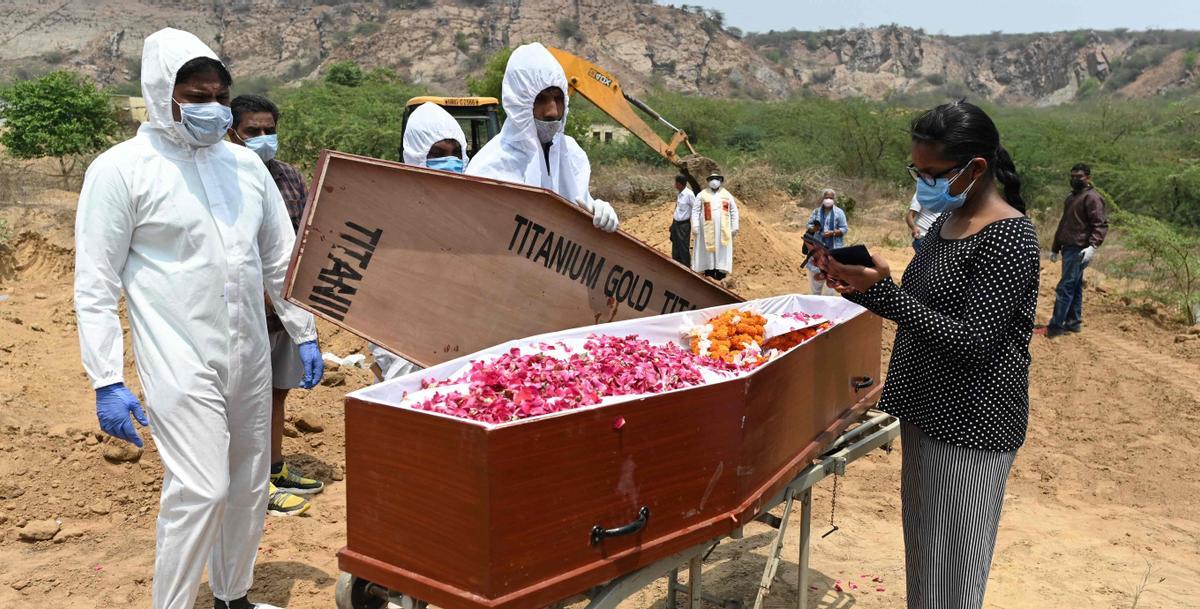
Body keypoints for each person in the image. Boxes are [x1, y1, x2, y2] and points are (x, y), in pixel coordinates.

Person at [74, 28, 324, 609]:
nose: (209, 107)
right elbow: (95, 282)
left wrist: (304, 331)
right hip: (179, 355)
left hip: (251, 354)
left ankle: (231, 596)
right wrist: (106, 377)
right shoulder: (122, 170)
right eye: (194, 94)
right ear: (163, 93)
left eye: (217, 95)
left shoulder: (244, 167)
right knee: (201, 488)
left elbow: (278, 256)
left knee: (248, 484)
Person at [816, 100, 1039, 609]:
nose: (922, 182)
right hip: (925, 412)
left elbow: (975, 340)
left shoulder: (1009, 236)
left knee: (954, 575)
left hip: (970, 426)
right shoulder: (945, 225)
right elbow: (921, 308)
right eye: (916, 171)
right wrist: (862, 284)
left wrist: (888, 296)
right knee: (925, 559)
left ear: (975, 168)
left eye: (932, 173)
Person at [227, 94, 324, 518]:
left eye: (270, 131)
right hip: (242, 312)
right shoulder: (224, 177)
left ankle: (275, 467)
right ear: (232, 132)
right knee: (245, 400)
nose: (263, 139)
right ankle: (252, 486)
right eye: (253, 132)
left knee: (276, 393)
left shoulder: (287, 177)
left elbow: (303, 237)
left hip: (285, 310)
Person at [466, 42, 618, 233]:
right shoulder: (489, 168)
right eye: (541, 99)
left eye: (558, 98)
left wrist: (598, 212)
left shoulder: (571, 154)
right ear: (519, 102)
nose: (552, 112)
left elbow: (580, 211)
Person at [369, 101, 470, 382]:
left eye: (455, 153)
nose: (449, 161)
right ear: (416, 154)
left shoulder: (474, 210)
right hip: (403, 343)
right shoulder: (391, 210)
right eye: (437, 153)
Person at [1046, 163, 1108, 338]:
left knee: (1065, 287)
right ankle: (1073, 323)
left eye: (1079, 176)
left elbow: (1100, 224)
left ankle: (1056, 326)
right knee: (1074, 286)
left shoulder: (1092, 198)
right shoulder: (1071, 198)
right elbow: (1063, 224)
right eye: (1072, 176)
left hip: (1080, 249)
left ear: (1087, 177)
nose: (1075, 179)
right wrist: (1055, 248)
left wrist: (1092, 247)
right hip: (1068, 247)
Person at [691, 172, 739, 281]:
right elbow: (695, 211)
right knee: (708, 251)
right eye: (712, 179)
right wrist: (695, 225)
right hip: (706, 230)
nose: (714, 181)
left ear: (720, 181)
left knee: (721, 250)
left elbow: (734, 211)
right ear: (708, 181)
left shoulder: (727, 195)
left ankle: (721, 273)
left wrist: (735, 226)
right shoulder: (702, 194)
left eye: (716, 179)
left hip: (723, 229)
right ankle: (709, 271)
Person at [804, 188, 848, 295]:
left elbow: (844, 229)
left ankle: (828, 308)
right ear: (822, 198)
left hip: (833, 251)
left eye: (831, 198)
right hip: (817, 252)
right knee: (815, 285)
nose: (828, 199)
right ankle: (815, 308)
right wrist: (815, 228)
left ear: (834, 199)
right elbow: (809, 225)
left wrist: (832, 233)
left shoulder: (839, 212)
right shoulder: (816, 212)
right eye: (826, 197)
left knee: (831, 284)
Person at [670, 175, 696, 266]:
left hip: (683, 225)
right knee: (675, 246)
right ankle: (676, 265)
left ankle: (686, 267)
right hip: (676, 224)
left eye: (676, 183)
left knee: (683, 247)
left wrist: (695, 225)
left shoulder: (689, 194)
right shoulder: (680, 194)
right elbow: (678, 208)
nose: (675, 185)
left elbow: (695, 209)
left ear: (680, 184)